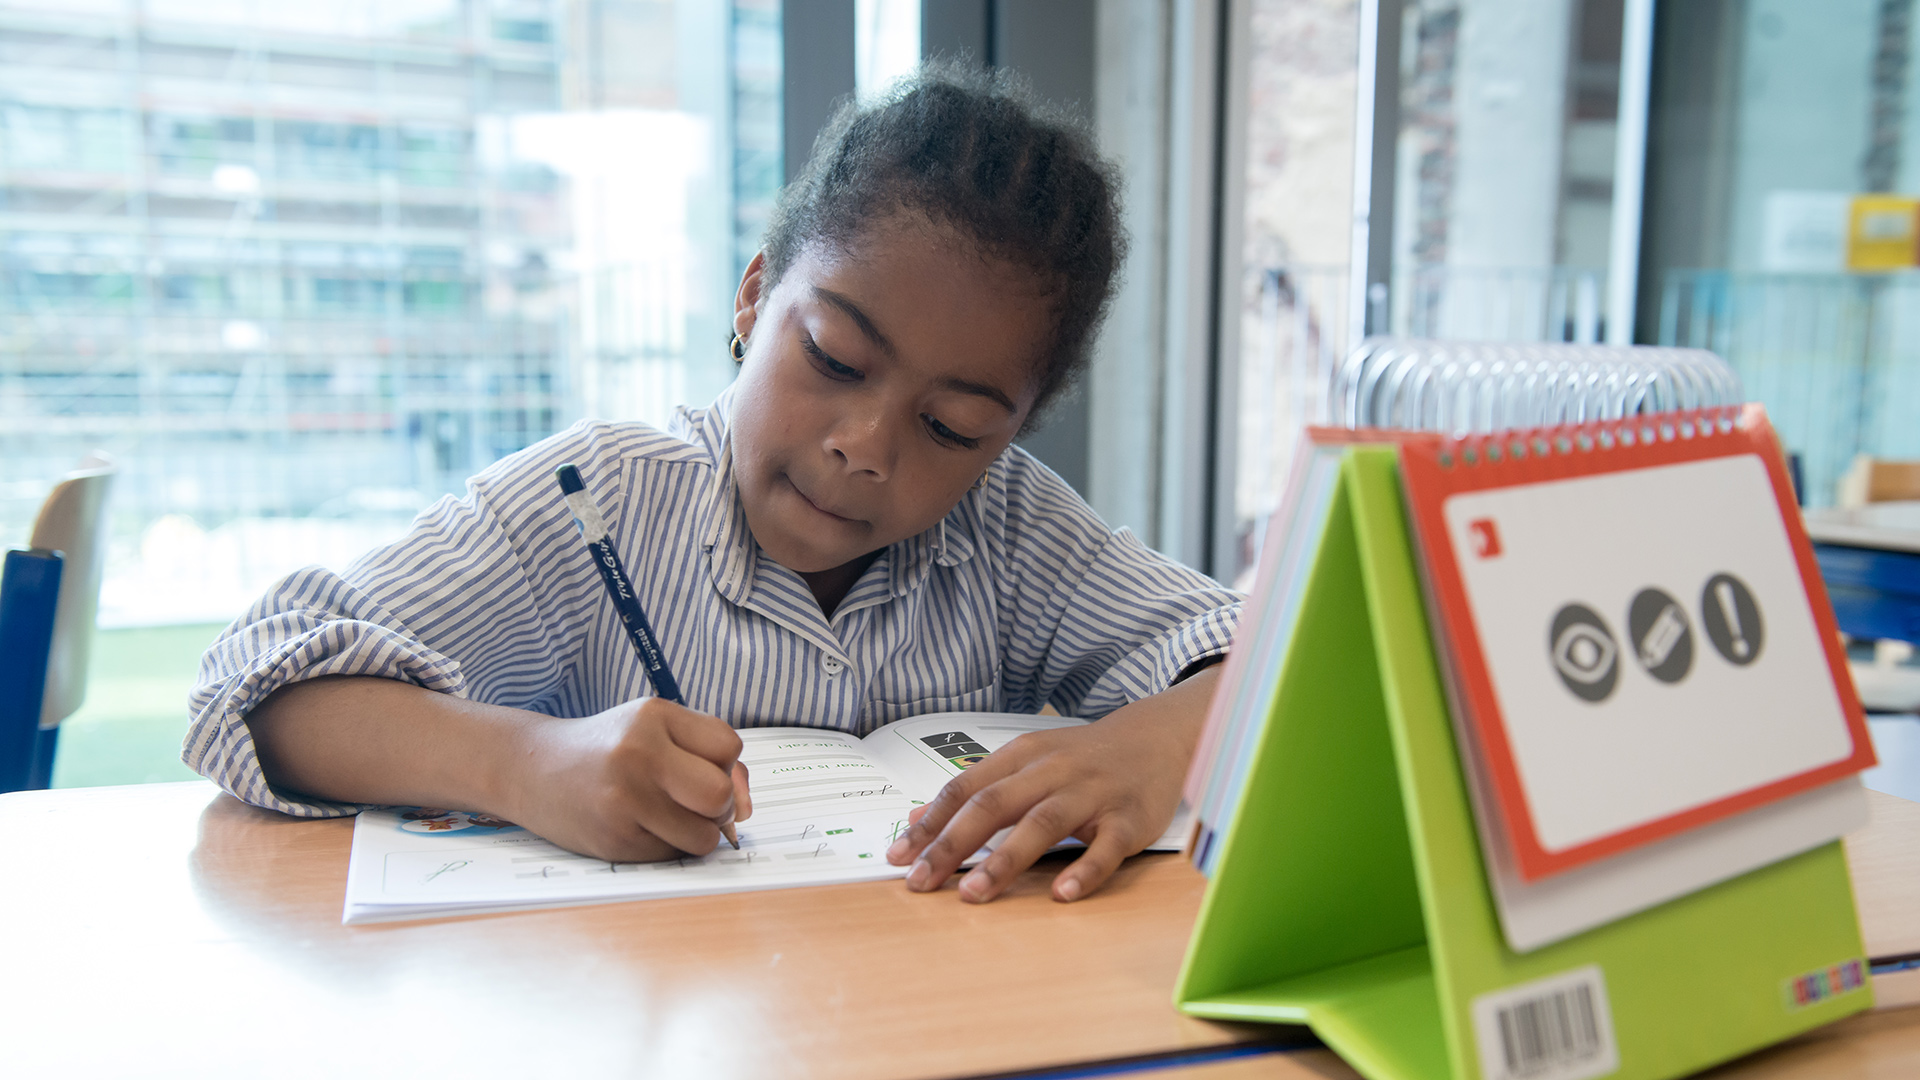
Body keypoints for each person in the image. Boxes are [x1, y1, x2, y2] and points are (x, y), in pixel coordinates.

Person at [186, 66, 1242, 905]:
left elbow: (1285, 652)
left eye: (952, 427)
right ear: (753, 297)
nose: (867, 447)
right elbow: (252, 685)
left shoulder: (1010, 524)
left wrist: (1149, 748)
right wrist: (529, 765)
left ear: (1010, 433)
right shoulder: (589, 500)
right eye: (832, 356)